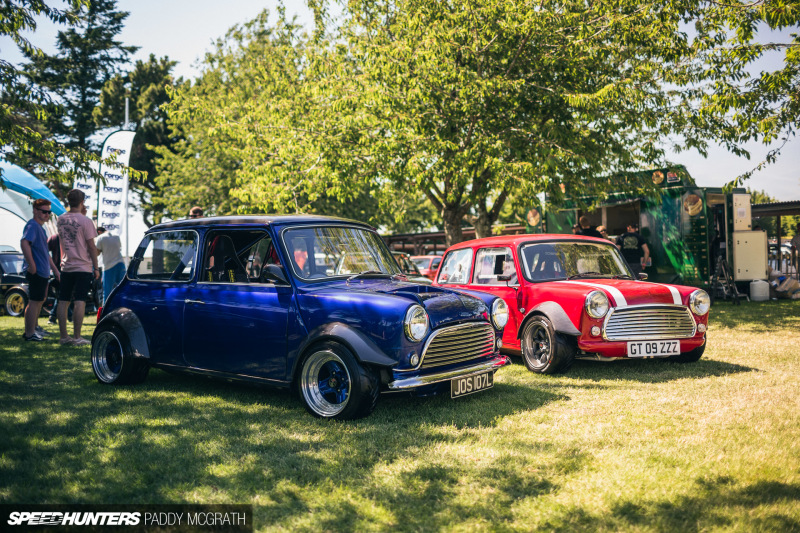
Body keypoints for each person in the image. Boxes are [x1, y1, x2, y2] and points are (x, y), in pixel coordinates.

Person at [56, 189, 99, 346]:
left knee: (63, 300)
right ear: (82, 202)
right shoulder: (86, 221)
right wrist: (96, 267)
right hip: (82, 266)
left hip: (66, 266)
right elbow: (92, 247)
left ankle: (63, 337)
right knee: (79, 300)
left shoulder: (60, 219)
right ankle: (77, 337)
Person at [19, 199, 60, 341]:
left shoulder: (40, 228)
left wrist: (55, 270)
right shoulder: (32, 225)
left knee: (40, 299)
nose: (47, 214)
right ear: (35, 211)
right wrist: (32, 265)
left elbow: (45, 254)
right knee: (34, 301)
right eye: (44, 211)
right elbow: (24, 242)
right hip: (36, 271)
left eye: (49, 212)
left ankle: (34, 329)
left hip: (43, 271)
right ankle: (29, 334)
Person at [95, 227, 125, 304]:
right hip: (120, 264)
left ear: (99, 231)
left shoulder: (100, 238)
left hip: (108, 267)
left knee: (107, 292)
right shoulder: (116, 236)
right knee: (122, 289)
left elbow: (97, 253)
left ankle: (105, 311)